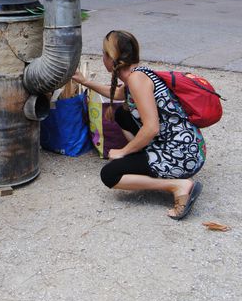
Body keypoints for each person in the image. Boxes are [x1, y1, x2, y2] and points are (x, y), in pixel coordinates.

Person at [72, 30, 205, 220]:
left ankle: (178, 185)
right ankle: (145, 157)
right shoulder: (137, 75)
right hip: (185, 145)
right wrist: (85, 82)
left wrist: (123, 151)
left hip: (182, 154)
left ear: (113, 58)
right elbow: (119, 95)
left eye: (104, 53)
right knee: (122, 114)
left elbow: (151, 128)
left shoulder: (136, 79)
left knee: (110, 175)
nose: (102, 58)